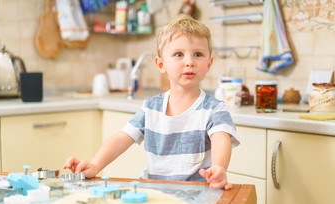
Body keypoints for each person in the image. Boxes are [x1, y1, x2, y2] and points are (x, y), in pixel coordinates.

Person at [64, 14, 239, 189]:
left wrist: (219, 168)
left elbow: (221, 140)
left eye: (198, 54)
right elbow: (120, 138)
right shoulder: (150, 108)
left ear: (209, 64)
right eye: (179, 54)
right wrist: (95, 166)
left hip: (198, 194)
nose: (189, 62)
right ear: (161, 64)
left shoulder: (215, 109)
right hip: (155, 191)